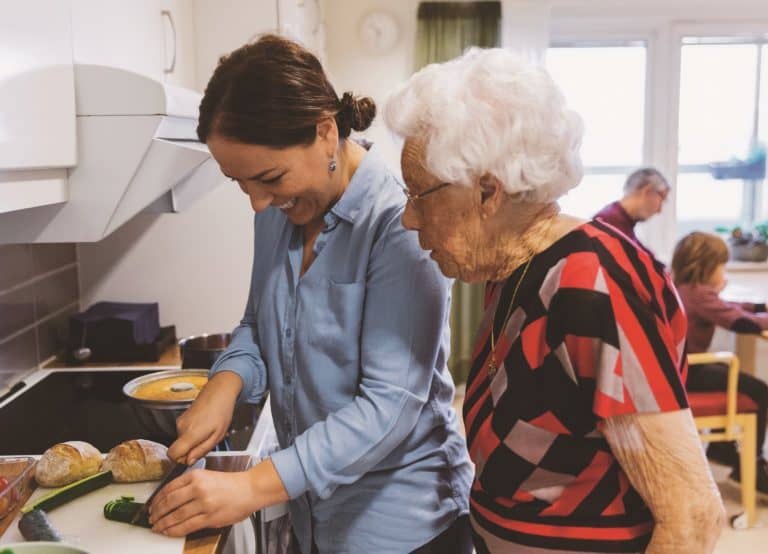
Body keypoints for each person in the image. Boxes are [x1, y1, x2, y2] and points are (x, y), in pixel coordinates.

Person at [385, 48, 724, 553]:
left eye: (420, 196)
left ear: (487, 192)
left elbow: (693, 517)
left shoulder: (594, 282)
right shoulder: (514, 271)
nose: (409, 219)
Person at [147, 34, 473, 554]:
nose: (256, 203)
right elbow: (258, 323)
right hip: (311, 516)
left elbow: (389, 407)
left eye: (268, 177)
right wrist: (225, 384)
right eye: (239, 182)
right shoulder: (281, 211)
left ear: (325, 132)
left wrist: (250, 488)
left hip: (401, 525)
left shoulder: (397, 225)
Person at [671, 231, 768, 492]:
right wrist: (759, 315)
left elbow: (730, 307)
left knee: (727, 374)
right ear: (707, 266)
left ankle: (724, 450)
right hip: (689, 371)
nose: (724, 272)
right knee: (759, 391)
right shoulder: (700, 294)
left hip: (678, 368)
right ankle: (751, 464)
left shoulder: (683, 286)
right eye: (721, 266)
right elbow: (739, 321)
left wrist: (759, 307)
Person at [594, 168, 670, 244]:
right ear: (648, 192)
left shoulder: (622, 222)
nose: (659, 211)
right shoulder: (608, 224)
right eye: (662, 200)